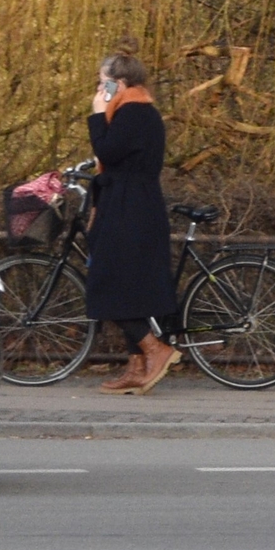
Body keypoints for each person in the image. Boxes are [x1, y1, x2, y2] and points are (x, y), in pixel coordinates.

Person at [85, 52, 181, 393]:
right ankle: (136, 365)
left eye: (104, 82)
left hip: (129, 208)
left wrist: (97, 115)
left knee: (107, 281)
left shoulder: (133, 113)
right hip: (128, 204)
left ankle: (156, 349)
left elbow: (108, 152)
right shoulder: (137, 111)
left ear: (120, 83)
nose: (100, 88)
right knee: (126, 285)